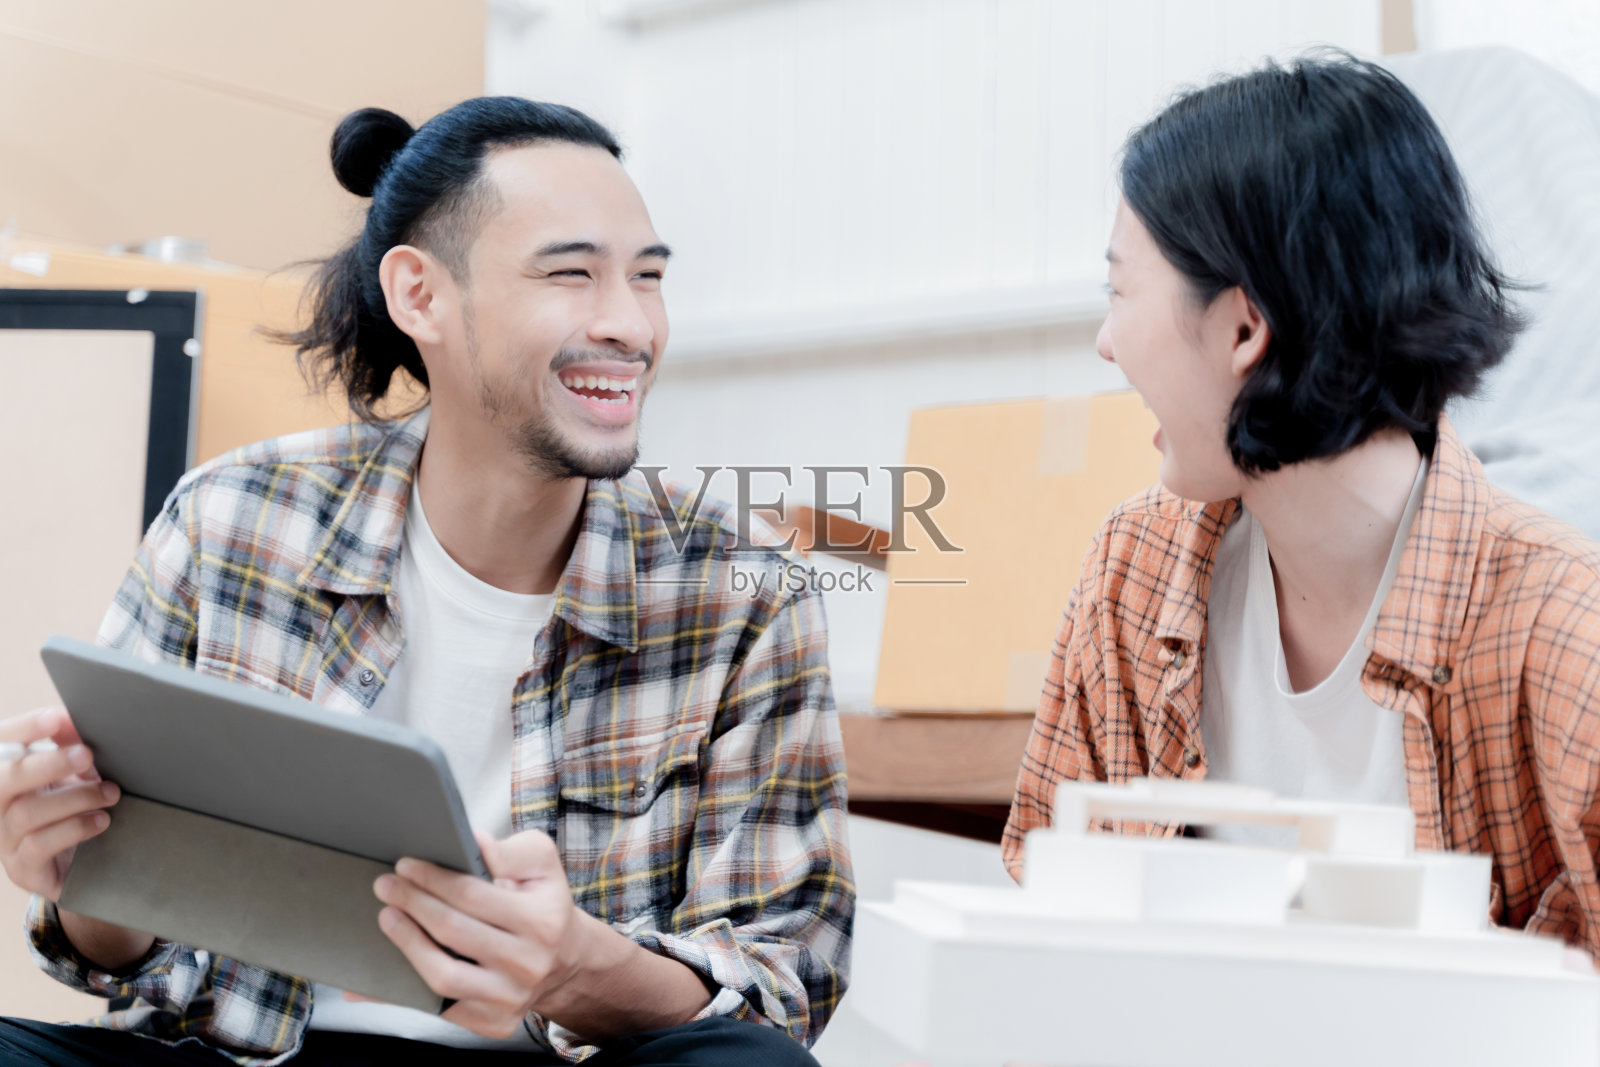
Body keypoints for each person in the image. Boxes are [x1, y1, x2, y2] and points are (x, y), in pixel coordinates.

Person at [0, 98, 852, 1065]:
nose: (629, 323)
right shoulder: (233, 516)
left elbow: (785, 981)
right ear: (420, 295)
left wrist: (572, 966)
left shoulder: (743, 588)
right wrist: (86, 883)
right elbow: (115, 961)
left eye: (647, 279)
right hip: (251, 1055)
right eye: (572, 273)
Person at [1004, 53, 1600, 954]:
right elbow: (1041, 938)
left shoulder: (1561, 632)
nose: (1106, 343)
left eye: (1122, 291)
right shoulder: (1134, 573)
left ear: (1245, 327)